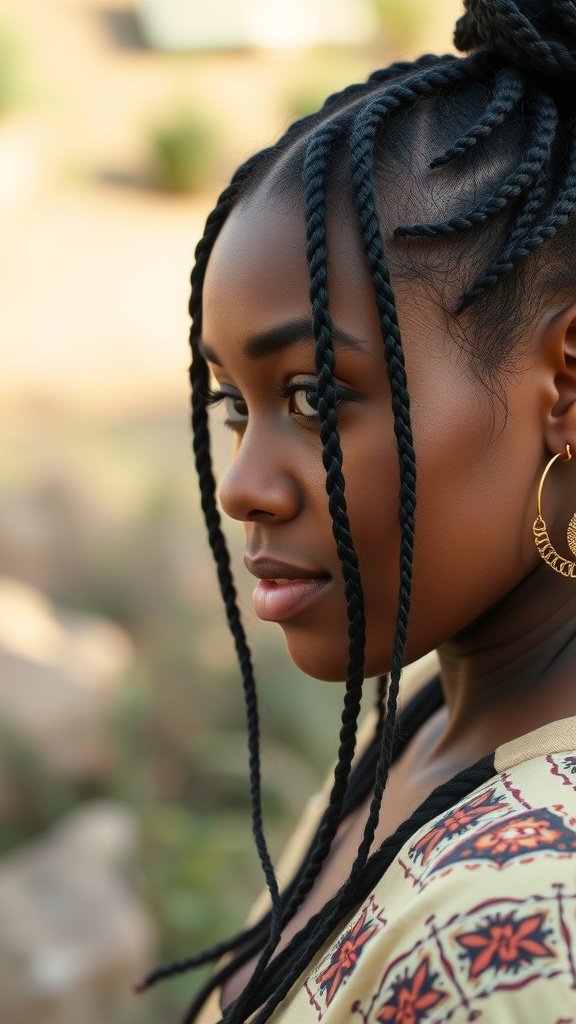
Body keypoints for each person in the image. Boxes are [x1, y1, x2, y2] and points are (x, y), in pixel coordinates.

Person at [136, 1, 576, 1020]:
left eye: (316, 398)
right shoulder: (432, 727)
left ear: (566, 386)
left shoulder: (528, 932)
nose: (242, 484)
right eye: (233, 404)